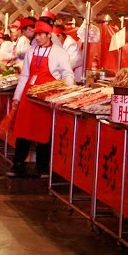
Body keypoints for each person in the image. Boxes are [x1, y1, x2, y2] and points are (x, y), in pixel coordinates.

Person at [9, 21, 75, 178]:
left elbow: (68, 74)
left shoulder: (59, 53)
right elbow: (25, 75)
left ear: (49, 35)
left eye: (40, 34)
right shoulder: (32, 51)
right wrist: (17, 97)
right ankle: (18, 164)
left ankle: (42, 167)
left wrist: (66, 93)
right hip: (28, 96)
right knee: (23, 130)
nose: (37, 37)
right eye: (36, 34)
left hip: (46, 98)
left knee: (43, 132)